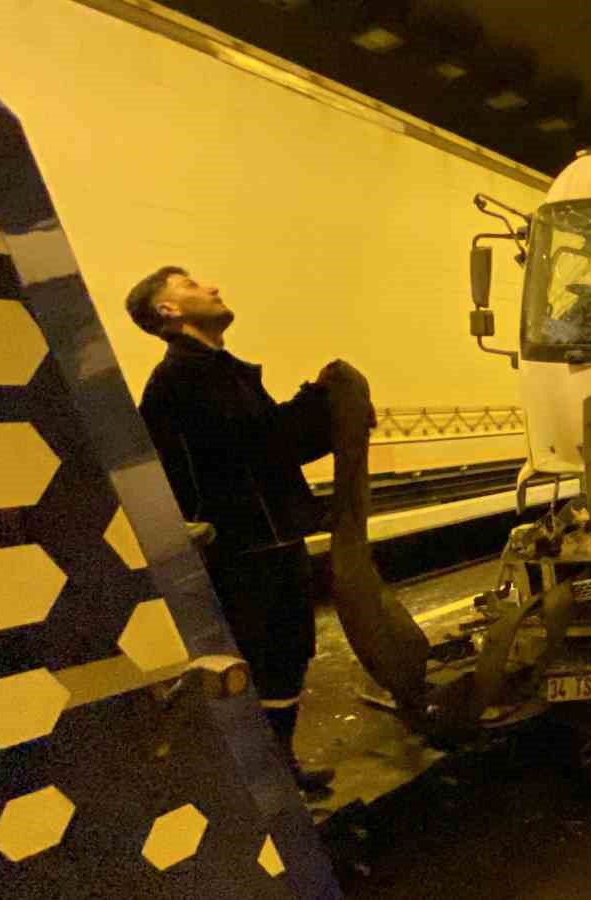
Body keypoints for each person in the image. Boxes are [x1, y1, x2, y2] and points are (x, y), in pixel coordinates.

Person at [125, 266, 351, 794]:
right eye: (189, 285)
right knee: (252, 662)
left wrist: (327, 406)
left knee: (288, 657)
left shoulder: (223, 373)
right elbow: (262, 443)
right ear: (167, 311)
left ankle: (279, 766)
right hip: (239, 552)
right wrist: (320, 399)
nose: (211, 287)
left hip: (276, 541)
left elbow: (276, 449)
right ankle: (250, 780)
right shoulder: (178, 381)